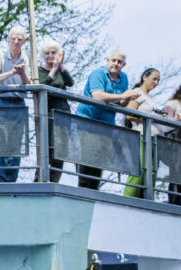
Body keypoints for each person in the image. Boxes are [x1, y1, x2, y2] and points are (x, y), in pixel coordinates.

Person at [75, 50, 140, 190]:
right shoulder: (98, 73)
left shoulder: (123, 78)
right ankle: (83, 190)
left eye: (119, 62)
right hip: (88, 121)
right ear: (107, 60)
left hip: (106, 125)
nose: (116, 64)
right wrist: (123, 95)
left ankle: (94, 190)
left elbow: (120, 103)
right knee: (88, 156)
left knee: (100, 159)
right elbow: (97, 96)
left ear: (124, 64)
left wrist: (127, 98)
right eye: (113, 60)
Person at [0, 26, 31, 183]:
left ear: (24, 41)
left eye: (20, 39)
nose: (16, 42)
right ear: (8, 39)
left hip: (18, 101)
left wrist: (22, 72)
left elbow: (29, 83)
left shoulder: (26, 58)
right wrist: (12, 72)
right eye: (14, 38)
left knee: (16, 143)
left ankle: (11, 180)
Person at [121, 68, 164, 198]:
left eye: (158, 80)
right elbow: (130, 114)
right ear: (145, 77)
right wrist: (148, 119)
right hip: (141, 136)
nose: (156, 82)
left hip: (153, 139)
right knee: (139, 170)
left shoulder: (150, 98)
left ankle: (145, 201)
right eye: (154, 78)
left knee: (150, 173)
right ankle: (128, 200)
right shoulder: (137, 93)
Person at [35, 39, 73, 183]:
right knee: (45, 147)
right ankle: (40, 180)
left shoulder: (60, 70)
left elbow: (70, 82)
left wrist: (60, 66)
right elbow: (42, 85)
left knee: (60, 148)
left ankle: (55, 180)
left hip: (62, 111)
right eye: (47, 53)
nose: (50, 56)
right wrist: (53, 70)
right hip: (46, 112)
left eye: (53, 53)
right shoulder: (39, 70)